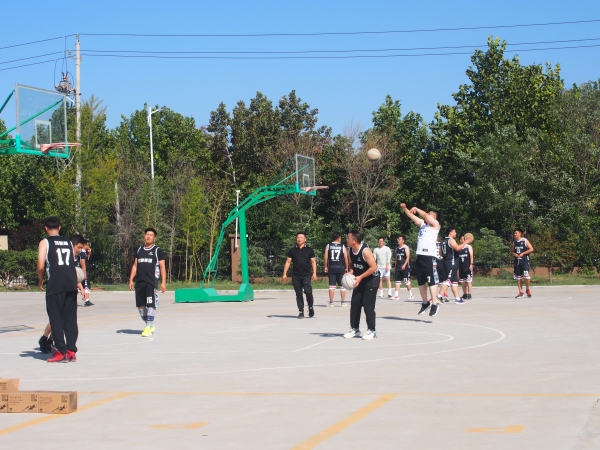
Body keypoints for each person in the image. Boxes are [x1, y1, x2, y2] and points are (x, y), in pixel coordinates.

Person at [36, 217, 79, 362]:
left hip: (55, 284)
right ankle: (71, 350)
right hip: (70, 283)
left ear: (46, 228)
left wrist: (40, 279)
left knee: (56, 318)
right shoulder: (69, 243)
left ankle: (60, 351)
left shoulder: (45, 242)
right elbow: (71, 264)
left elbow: (40, 265)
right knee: (70, 318)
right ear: (59, 228)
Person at [39, 234, 88, 355]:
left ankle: (49, 340)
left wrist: (81, 288)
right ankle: (45, 339)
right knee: (57, 319)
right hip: (57, 287)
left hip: (67, 286)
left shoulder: (73, 256)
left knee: (62, 319)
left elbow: (72, 275)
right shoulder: (62, 253)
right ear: (72, 245)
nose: (80, 250)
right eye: (78, 247)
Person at [400, 204, 442, 317]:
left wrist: (416, 208)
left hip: (429, 257)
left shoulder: (436, 225)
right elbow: (411, 216)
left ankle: (434, 304)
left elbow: (424, 215)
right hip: (420, 256)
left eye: (430, 214)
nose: (427, 215)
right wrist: (405, 208)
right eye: (428, 213)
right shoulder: (423, 224)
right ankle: (425, 303)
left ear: (435, 217)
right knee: (421, 282)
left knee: (431, 281)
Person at [129, 228, 167, 337]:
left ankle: (148, 327)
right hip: (140, 282)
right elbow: (135, 265)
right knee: (140, 306)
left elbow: (162, 267)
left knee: (151, 304)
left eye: (151, 235)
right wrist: (131, 279)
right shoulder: (139, 250)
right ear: (144, 236)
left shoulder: (157, 251)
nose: (148, 236)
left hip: (151, 282)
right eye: (147, 234)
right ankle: (149, 324)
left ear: (154, 238)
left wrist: (163, 282)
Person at [343, 230, 380, 340]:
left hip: (372, 280)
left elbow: (374, 267)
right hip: (360, 279)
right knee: (355, 303)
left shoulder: (365, 251)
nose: (346, 239)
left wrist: (360, 277)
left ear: (354, 240)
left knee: (368, 305)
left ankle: (372, 331)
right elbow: (352, 265)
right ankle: (354, 328)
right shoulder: (349, 250)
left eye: (348, 238)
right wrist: (350, 272)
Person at [282, 232, 317, 319]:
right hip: (296, 275)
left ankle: (310, 307)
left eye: (301, 237)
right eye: (298, 237)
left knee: (308, 291)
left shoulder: (309, 250)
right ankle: (301, 311)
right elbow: (288, 262)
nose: (299, 239)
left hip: (306, 275)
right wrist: (284, 274)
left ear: (305, 239)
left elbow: (313, 262)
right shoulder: (292, 250)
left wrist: (314, 273)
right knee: (298, 293)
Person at [438, 227, 473, 304]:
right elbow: (457, 248)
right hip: (451, 263)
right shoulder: (451, 240)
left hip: (447, 262)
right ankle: (439, 297)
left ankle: (457, 298)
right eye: (454, 232)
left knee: (454, 282)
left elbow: (440, 253)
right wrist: (466, 242)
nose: (456, 233)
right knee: (448, 280)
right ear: (450, 232)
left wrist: (447, 257)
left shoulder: (443, 242)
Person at [323, 232, 348, 307]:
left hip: (332, 268)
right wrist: (347, 267)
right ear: (339, 238)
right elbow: (346, 258)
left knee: (331, 286)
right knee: (342, 286)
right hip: (341, 268)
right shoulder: (342, 246)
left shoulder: (328, 245)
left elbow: (326, 257)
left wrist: (325, 266)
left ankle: (331, 303)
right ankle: (343, 302)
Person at [512, 228, 534, 298]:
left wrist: (523, 253)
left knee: (526, 276)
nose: (515, 234)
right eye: (514, 233)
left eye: (516, 233)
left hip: (524, 261)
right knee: (518, 278)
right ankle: (520, 292)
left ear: (520, 233)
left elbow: (531, 249)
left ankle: (527, 289)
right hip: (517, 261)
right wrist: (514, 254)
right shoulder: (514, 242)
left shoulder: (525, 240)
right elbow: (512, 251)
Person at [393, 235, 413, 299]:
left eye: (399, 239)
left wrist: (404, 265)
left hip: (405, 267)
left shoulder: (406, 248)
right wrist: (395, 268)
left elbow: (408, 257)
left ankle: (410, 295)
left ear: (403, 240)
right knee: (397, 281)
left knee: (406, 281)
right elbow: (396, 259)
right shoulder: (397, 249)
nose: (398, 240)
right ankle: (396, 296)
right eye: (398, 239)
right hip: (398, 267)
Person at [76, 237, 93, 307]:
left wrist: (89, 253)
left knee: (80, 287)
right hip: (84, 272)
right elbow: (83, 264)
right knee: (85, 286)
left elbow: (87, 260)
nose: (88, 246)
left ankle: (72, 299)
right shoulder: (82, 253)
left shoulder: (84, 253)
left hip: (85, 272)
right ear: (84, 245)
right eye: (87, 245)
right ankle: (87, 300)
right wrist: (84, 273)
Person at [458, 235, 474, 300]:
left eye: (465, 239)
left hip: (467, 267)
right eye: (463, 239)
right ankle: (465, 294)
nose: (464, 240)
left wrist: (471, 264)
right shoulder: (458, 247)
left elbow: (471, 256)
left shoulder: (468, 247)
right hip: (461, 267)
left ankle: (469, 294)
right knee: (462, 281)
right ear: (460, 240)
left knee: (469, 281)